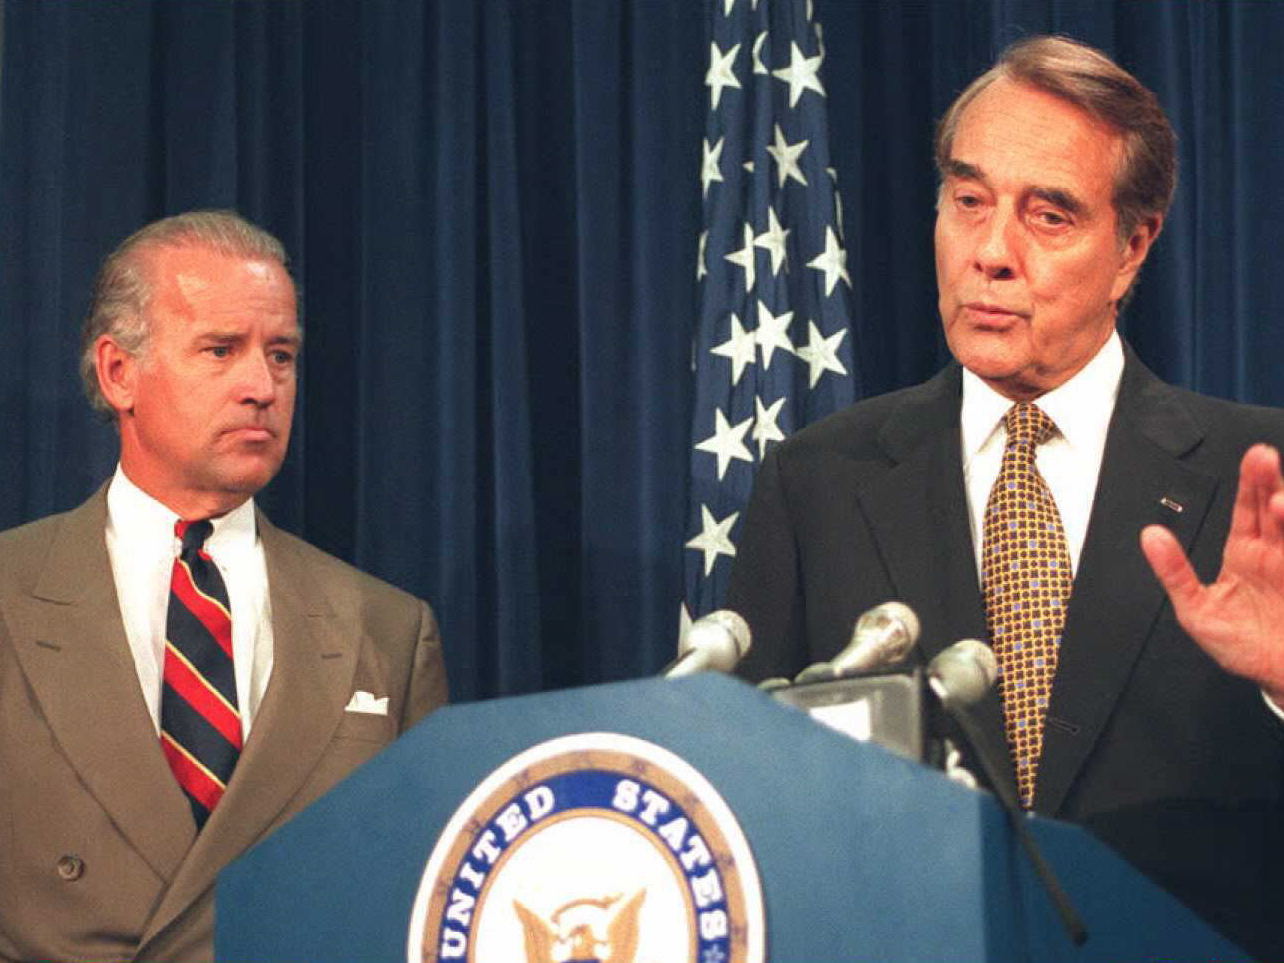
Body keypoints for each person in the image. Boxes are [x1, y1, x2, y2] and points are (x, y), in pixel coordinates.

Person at [728, 36, 1284, 957]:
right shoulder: (818, 479)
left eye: (1050, 216)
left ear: (1132, 248)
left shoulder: (1260, 476)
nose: (990, 252)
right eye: (969, 200)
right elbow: (750, 802)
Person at [0, 211, 448, 962]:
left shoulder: (387, 629)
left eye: (281, 354)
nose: (262, 386)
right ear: (119, 373)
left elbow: (421, 910)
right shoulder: (12, 594)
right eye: (221, 349)